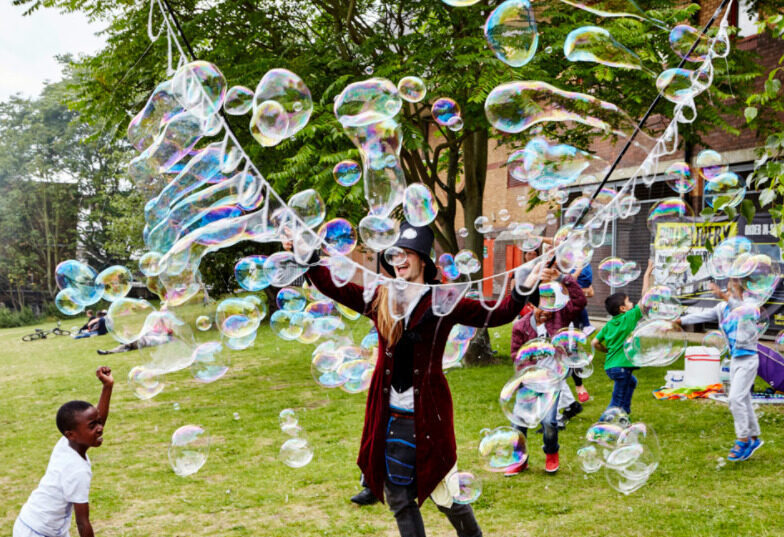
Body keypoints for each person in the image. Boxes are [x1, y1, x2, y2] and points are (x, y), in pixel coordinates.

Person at [287, 222, 536, 537]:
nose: (399, 260)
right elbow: (336, 288)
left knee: (446, 495)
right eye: (394, 255)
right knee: (399, 497)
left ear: (423, 259)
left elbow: (496, 315)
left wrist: (523, 285)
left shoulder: (444, 299)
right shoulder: (381, 296)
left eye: (406, 254)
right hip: (389, 413)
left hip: (428, 416)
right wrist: (309, 256)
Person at [507, 261, 587, 475]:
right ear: (532, 306)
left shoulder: (561, 316)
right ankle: (519, 459)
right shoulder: (520, 326)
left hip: (553, 381)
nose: (546, 312)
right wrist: (530, 356)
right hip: (529, 382)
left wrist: (563, 278)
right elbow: (515, 355)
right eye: (542, 307)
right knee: (518, 424)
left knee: (550, 423)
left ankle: (551, 453)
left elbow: (580, 301)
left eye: (550, 306)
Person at [14, 366, 114, 537]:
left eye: (98, 423)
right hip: (36, 532)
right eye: (92, 426)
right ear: (71, 435)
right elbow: (83, 523)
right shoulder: (76, 470)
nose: (100, 429)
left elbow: (98, 420)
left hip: (42, 524)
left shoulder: (66, 443)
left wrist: (107, 386)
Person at [675, 280, 764, 461]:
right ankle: (754, 438)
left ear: (741, 288)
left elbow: (741, 311)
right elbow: (703, 316)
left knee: (735, 398)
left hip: (748, 359)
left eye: (733, 287)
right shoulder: (723, 308)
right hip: (735, 359)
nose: (728, 289)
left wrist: (724, 296)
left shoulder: (750, 306)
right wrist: (680, 320)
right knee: (743, 398)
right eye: (728, 287)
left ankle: (742, 439)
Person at [592, 260, 655, 415]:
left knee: (632, 382)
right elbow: (645, 296)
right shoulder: (629, 317)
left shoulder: (608, 325)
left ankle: (624, 415)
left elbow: (594, 342)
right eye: (629, 302)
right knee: (617, 400)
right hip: (622, 367)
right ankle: (603, 423)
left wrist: (606, 350)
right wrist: (647, 274)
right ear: (622, 309)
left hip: (611, 367)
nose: (632, 304)